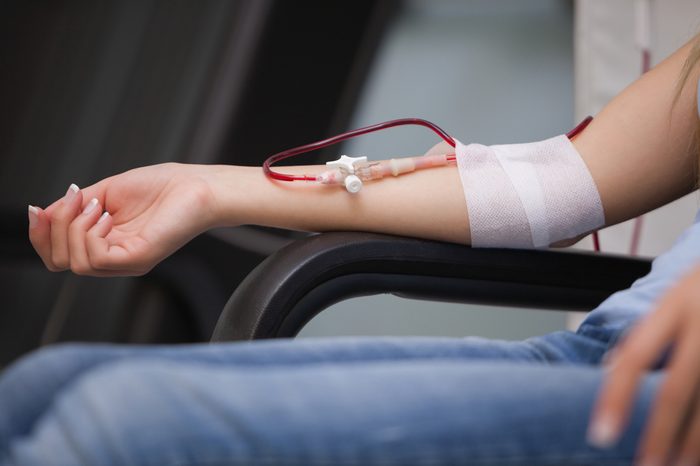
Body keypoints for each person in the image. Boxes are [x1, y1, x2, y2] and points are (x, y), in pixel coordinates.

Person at [1, 32, 700, 466]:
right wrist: (204, 191)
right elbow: (551, 191)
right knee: (43, 389)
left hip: (676, 404)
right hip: (598, 359)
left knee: (121, 428)